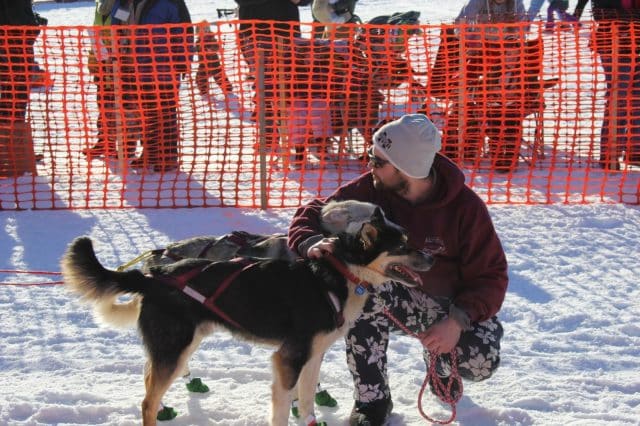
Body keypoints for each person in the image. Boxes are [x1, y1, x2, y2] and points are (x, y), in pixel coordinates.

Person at [288, 114, 507, 425]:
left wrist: (456, 322)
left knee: (480, 361)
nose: (370, 166)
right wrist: (310, 239)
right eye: (371, 157)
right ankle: (372, 401)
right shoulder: (371, 190)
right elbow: (316, 212)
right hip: (392, 296)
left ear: (407, 168)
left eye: (378, 161)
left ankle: (439, 361)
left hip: (450, 307)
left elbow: (492, 277)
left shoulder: (465, 208)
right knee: (361, 291)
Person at [445, 0, 528, 172]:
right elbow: (458, 26)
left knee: (502, 100)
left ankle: (502, 148)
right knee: (464, 94)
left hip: (507, 55)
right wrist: (472, 38)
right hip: (480, 54)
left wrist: (511, 38)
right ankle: (459, 143)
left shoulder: (516, 4)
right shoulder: (477, 3)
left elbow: (524, 28)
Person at [110, 0, 193, 173]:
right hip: (131, 67)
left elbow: (184, 30)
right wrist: (116, 54)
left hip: (163, 67)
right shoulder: (123, 2)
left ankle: (168, 156)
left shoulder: (171, 2)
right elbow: (116, 28)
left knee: (165, 112)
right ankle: (150, 153)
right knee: (144, 113)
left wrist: (184, 59)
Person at [580, 0, 640, 169]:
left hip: (637, 42)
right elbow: (600, 12)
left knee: (637, 99)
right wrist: (631, 18)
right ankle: (609, 154)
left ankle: (635, 150)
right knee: (618, 97)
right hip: (613, 44)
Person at [194, 21, 233, 99]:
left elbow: (217, 47)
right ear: (198, 31)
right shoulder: (198, 41)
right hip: (203, 64)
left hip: (214, 63)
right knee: (200, 77)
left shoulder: (211, 38)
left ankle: (228, 89)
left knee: (219, 76)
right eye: (203, 29)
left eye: (206, 29)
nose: (205, 31)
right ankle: (203, 91)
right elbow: (197, 49)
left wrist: (211, 49)